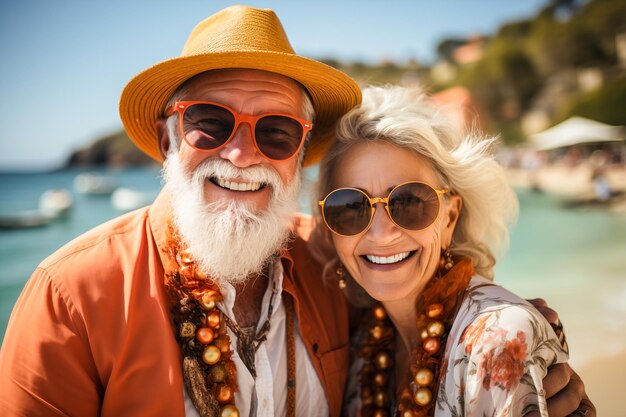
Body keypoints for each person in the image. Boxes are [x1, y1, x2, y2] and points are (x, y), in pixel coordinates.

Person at [0, 5, 593, 417]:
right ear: (168, 138)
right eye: (209, 123)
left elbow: (434, 303)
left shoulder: (331, 255)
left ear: (300, 154)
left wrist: (525, 343)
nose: (241, 153)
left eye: (277, 132)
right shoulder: (70, 296)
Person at [313, 85, 595, 416]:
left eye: (408, 201)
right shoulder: (366, 341)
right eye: (350, 205)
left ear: (450, 215)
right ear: (328, 227)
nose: (382, 232)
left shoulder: (497, 341)